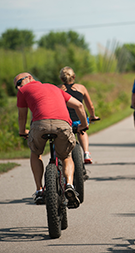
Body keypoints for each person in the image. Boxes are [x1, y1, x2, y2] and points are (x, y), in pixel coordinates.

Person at [14, 72, 88, 208]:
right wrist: (84, 124)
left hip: (39, 125)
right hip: (62, 125)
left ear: (30, 78)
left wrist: (22, 131)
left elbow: (21, 116)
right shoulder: (55, 88)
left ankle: (39, 190)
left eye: (19, 83)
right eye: (16, 87)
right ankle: (70, 185)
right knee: (66, 156)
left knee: (35, 153)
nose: (18, 88)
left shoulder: (24, 91)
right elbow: (79, 106)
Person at [58, 66, 99, 164]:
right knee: (82, 130)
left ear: (61, 78)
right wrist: (92, 116)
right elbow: (90, 106)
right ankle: (86, 153)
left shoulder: (57, 89)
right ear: (74, 77)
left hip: (65, 120)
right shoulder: (81, 88)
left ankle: (59, 157)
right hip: (79, 119)